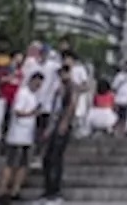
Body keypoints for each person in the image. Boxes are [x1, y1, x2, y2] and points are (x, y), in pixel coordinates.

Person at [0, 70, 42, 205]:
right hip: (17, 134)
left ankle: (15, 190)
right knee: (11, 164)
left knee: (23, 164)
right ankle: (2, 190)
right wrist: (32, 113)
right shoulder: (23, 93)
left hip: (27, 135)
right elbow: (17, 111)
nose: (38, 86)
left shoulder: (34, 96)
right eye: (36, 82)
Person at [40, 58, 79, 205]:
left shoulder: (71, 87)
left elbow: (71, 105)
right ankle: (48, 190)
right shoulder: (59, 88)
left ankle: (55, 192)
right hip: (53, 124)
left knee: (56, 158)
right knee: (48, 158)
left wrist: (65, 122)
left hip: (62, 124)